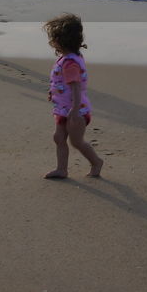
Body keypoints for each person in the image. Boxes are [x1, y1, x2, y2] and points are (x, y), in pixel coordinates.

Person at [42, 13, 104, 179]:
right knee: (58, 137)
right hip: (63, 109)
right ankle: (61, 169)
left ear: (60, 40)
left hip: (76, 111)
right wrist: (53, 92)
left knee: (76, 141)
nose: (51, 41)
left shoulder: (70, 63)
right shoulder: (68, 58)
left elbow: (76, 87)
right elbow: (61, 82)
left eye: (52, 38)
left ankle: (96, 162)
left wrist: (75, 110)